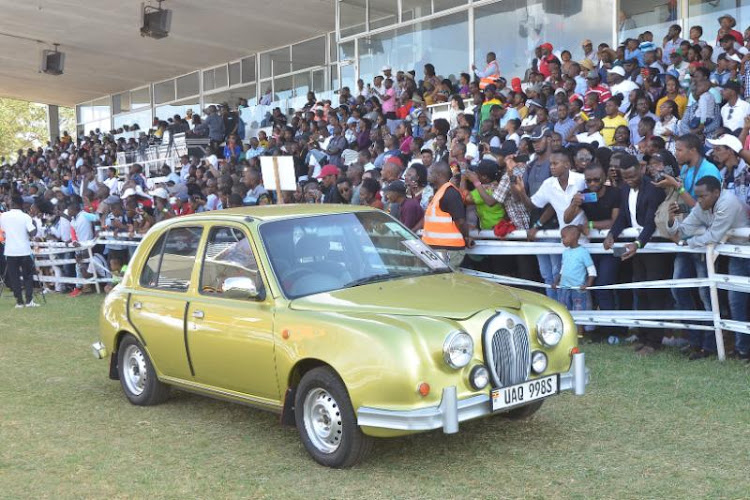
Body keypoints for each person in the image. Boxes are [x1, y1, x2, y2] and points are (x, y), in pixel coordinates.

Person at [666, 176, 749, 360]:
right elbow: (684, 230)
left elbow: (713, 236)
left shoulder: (728, 203)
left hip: (744, 251)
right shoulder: (702, 206)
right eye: (698, 196)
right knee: (735, 302)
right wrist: (672, 221)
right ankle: (742, 350)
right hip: (735, 254)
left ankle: (740, 348)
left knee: (736, 301)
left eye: (703, 196)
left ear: (716, 193)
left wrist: (686, 243)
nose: (699, 200)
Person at [604, 154, 669, 355]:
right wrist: (612, 234)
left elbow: (650, 222)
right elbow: (623, 217)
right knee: (639, 291)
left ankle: (655, 341)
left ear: (641, 169)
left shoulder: (654, 190)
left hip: (654, 248)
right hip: (636, 248)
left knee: (654, 293)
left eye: (632, 175)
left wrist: (638, 243)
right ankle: (643, 336)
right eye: (626, 177)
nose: (629, 180)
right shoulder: (624, 189)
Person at [423, 162, 471, 267]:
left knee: (448, 281)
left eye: (430, 172)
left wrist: (466, 237)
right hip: (438, 248)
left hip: (448, 249)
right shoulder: (440, 192)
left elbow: (461, 221)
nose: (428, 174)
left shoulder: (450, 193)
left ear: (439, 175)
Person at [554, 225, 597, 335]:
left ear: (573, 236)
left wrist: (587, 284)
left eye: (564, 237)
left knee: (579, 311)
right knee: (564, 310)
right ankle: (567, 333)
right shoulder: (565, 252)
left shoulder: (583, 252)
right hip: (564, 287)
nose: (562, 240)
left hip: (578, 288)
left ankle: (580, 334)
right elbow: (563, 269)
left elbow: (592, 270)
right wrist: (557, 281)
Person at [0, 195, 39, 308]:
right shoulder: (25, 216)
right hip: (24, 251)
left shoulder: (3, 216)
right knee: (27, 276)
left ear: (11, 204)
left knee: (14, 277)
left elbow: (3, 230)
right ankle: (29, 300)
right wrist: (34, 224)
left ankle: (19, 302)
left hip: (10, 251)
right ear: (21, 204)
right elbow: (33, 233)